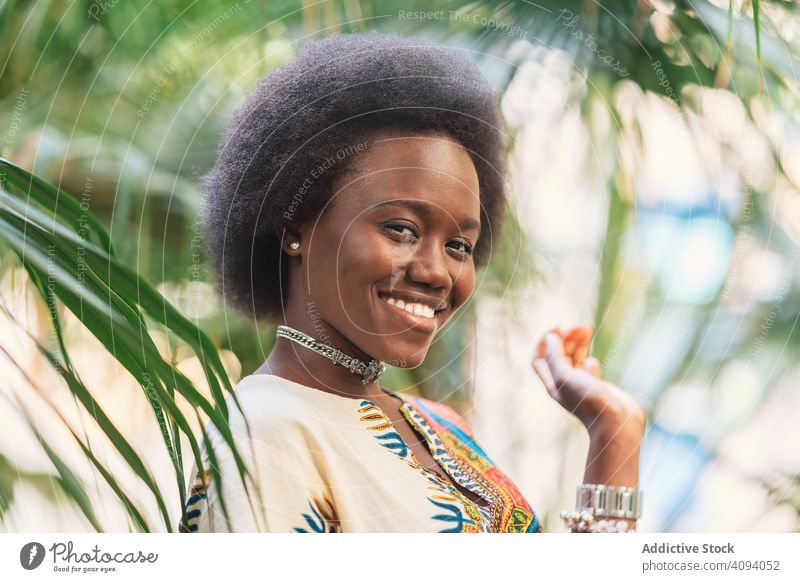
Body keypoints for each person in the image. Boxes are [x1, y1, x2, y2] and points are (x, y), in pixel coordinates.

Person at [178, 31, 645, 533]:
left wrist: (613, 429)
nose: (436, 271)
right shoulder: (264, 438)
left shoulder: (443, 427)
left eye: (458, 246)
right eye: (401, 229)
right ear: (294, 228)